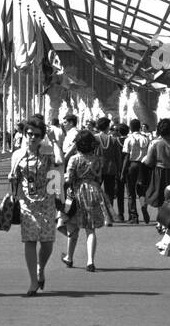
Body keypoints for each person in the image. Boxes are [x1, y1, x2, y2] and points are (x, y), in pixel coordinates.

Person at [9, 116, 63, 296]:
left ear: (42, 137)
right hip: (27, 202)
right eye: (29, 133)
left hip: (46, 200)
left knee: (47, 242)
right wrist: (13, 186)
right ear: (24, 134)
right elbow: (14, 179)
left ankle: (41, 268)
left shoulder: (48, 151)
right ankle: (33, 280)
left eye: (36, 135)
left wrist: (57, 196)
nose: (32, 137)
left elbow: (57, 169)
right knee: (30, 240)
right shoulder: (17, 154)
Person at [61, 129, 112, 272]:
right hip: (94, 191)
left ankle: (69, 257)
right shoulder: (97, 159)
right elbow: (99, 178)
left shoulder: (74, 159)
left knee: (73, 227)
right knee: (91, 229)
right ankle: (90, 261)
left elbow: (69, 178)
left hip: (77, 192)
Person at [94, 116, 125, 222]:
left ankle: (98, 215)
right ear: (107, 127)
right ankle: (109, 216)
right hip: (111, 168)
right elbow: (118, 156)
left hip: (97, 168)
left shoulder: (95, 138)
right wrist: (119, 169)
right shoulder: (113, 139)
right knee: (109, 193)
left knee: (95, 191)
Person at [123, 118, 151, 224]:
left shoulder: (129, 139)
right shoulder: (146, 138)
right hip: (143, 165)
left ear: (131, 127)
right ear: (139, 127)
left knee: (130, 192)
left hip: (132, 165)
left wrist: (123, 171)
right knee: (141, 190)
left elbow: (126, 155)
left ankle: (134, 216)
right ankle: (143, 206)